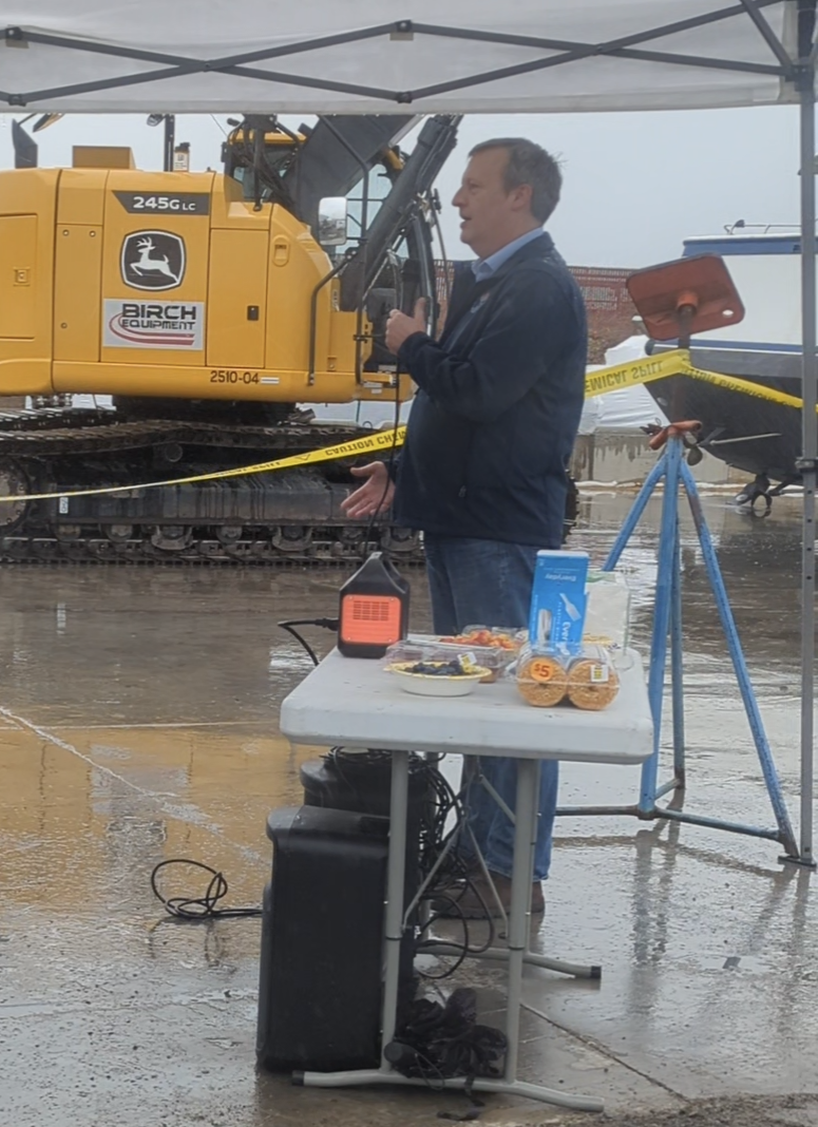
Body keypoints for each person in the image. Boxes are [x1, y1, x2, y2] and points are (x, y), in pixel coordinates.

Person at [341, 139, 587, 916]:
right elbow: (466, 413)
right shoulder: (497, 282)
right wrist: (405, 469)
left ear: (520, 197)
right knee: (477, 702)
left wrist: (412, 343)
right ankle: (486, 862)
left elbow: (476, 391)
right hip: (464, 520)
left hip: (497, 531)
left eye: (473, 186)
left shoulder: (539, 288)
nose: (457, 201)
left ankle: (507, 877)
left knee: (509, 707)